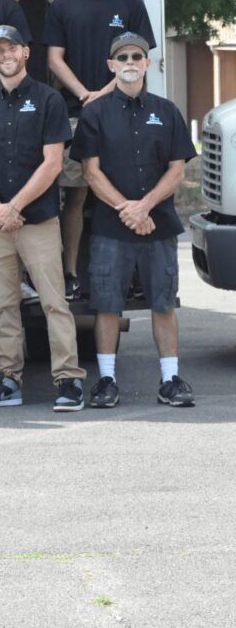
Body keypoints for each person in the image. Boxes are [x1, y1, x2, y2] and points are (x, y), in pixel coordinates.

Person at [70, 32, 196, 408]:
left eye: (136, 56)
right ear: (111, 65)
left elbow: (177, 171)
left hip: (159, 225)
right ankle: (106, 380)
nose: (129, 61)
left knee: (162, 302)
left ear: (146, 63)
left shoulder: (167, 110)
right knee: (107, 305)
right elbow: (91, 173)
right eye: (122, 56)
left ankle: (170, 380)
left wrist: (144, 207)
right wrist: (127, 208)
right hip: (111, 227)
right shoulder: (94, 113)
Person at [0, 25, 86, 412]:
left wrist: (14, 206)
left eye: (12, 48)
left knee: (53, 303)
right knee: (4, 306)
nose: (6, 55)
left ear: (25, 52)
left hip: (37, 221)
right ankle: (7, 381)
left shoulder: (49, 100)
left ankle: (68, 381)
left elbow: (52, 164)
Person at [42, 0, 156, 299]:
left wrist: (105, 92)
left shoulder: (131, 5)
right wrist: (83, 93)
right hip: (76, 112)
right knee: (75, 195)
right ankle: (70, 273)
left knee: (126, 190)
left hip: (126, 113)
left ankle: (134, 272)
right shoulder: (63, 7)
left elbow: (139, 58)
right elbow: (54, 58)